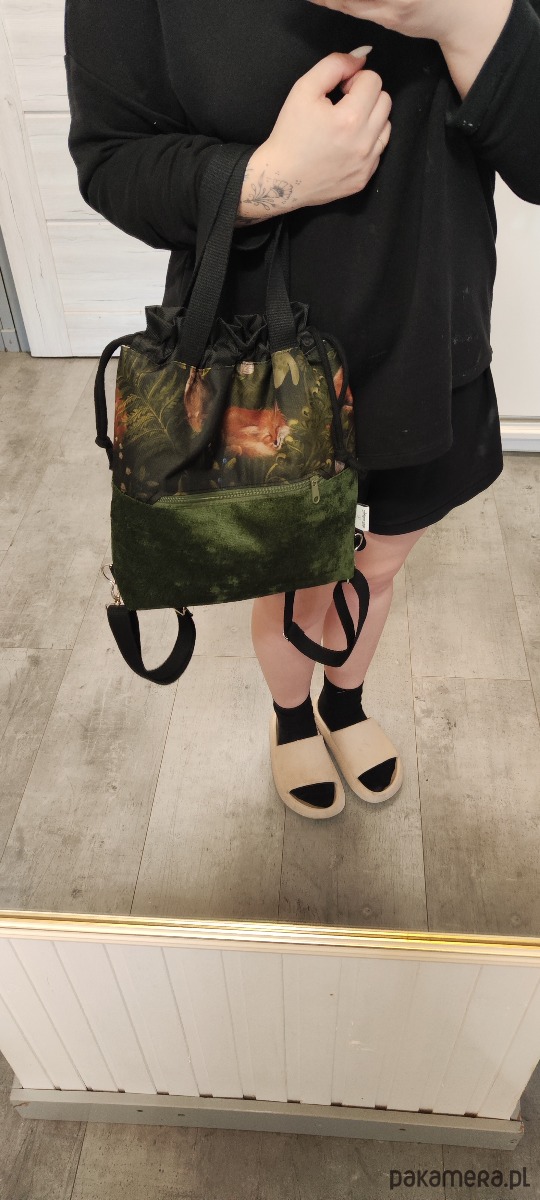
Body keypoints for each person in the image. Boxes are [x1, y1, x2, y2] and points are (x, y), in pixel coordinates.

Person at [64, 0, 540, 819]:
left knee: (376, 569)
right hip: (257, 375)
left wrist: (461, 18)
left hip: (428, 344)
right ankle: (292, 719)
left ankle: (343, 705)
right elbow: (112, 160)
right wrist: (271, 178)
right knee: (292, 580)